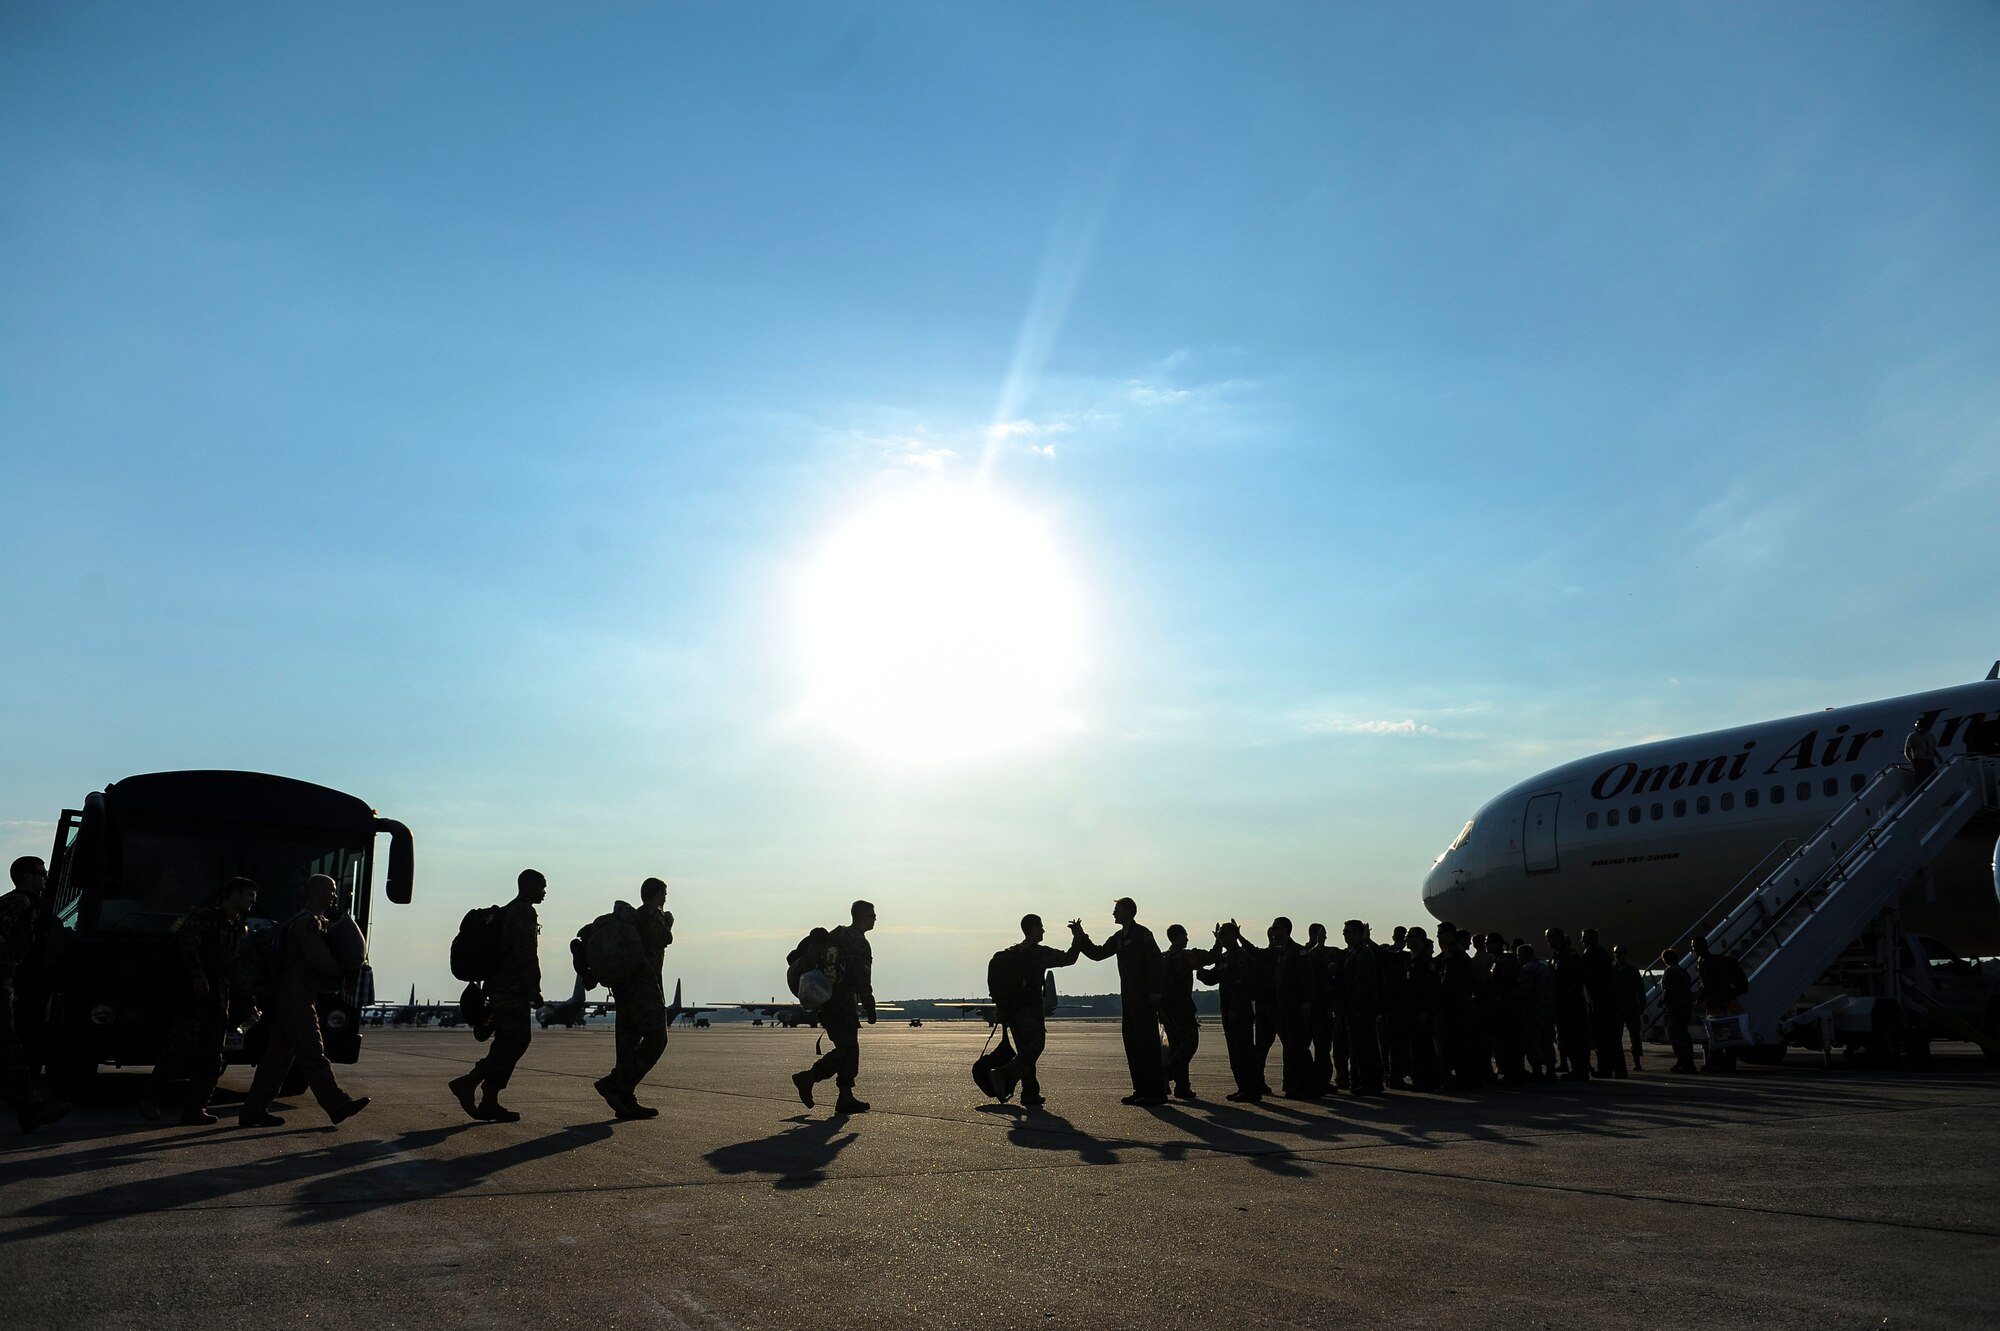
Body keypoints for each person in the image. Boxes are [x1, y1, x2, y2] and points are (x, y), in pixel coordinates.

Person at [238, 874, 369, 1127]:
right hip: (297, 996)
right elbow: (318, 958)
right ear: (317, 891)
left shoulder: (307, 921)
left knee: (276, 1059)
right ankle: (337, 1104)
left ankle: (253, 1110)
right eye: (330, 890)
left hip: (294, 995)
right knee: (313, 1052)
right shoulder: (307, 923)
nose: (334, 895)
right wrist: (343, 970)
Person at [143, 876, 259, 1125]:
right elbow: (187, 945)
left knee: (214, 1055)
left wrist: (247, 997)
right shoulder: (207, 917)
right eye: (249, 895)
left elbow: (237, 965)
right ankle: (150, 1098)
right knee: (178, 1049)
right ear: (234, 893)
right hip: (194, 997)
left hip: (220, 999)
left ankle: (196, 1108)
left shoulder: (240, 926)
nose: (253, 901)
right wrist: (197, 975)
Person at [448, 868, 545, 1122]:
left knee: (507, 1040)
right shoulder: (524, 911)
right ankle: (470, 1083)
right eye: (541, 886)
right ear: (528, 886)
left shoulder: (507, 910)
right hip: (511, 987)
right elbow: (526, 953)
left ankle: (489, 1100)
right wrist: (534, 988)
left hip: (498, 985)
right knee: (516, 1040)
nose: (544, 892)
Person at [1075, 898, 1169, 1106]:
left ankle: (1156, 1092)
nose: (1113, 913)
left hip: (1144, 998)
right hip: (1129, 999)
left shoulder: (1143, 935)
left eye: (1116, 910)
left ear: (1128, 911)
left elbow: (1156, 963)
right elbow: (1098, 954)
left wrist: (1155, 991)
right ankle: (1141, 1089)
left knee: (1147, 1046)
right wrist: (1080, 937)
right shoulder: (1119, 937)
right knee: (1132, 1045)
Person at [0, 857, 69, 1133]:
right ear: (27, 877)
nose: (45, 878)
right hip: (2, 983)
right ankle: (30, 1109)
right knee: (9, 1048)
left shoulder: (33, 906)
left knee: (9, 1048)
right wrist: (5, 978)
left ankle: (29, 1109)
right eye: (41, 874)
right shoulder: (18, 902)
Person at [596, 877, 674, 1119]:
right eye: (664, 893)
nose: (665, 898)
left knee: (628, 1046)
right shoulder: (653, 913)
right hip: (645, 988)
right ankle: (616, 1083)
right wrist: (668, 925)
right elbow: (659, 939)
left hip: (625, 989)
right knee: (657, 1039)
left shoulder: (631, 919)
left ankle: (625, 1099)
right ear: (657, 893)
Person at [792, 900, 876, 1114]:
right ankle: (809, 1077)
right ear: (860, 917)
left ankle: (845, 1097)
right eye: (871, 915)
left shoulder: (837, 935)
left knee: (850, 1049)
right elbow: (862, 976)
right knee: (847, 1050)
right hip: (841, 1002)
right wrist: (869, 1004)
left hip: (828, 1000)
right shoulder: (858, 942)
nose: (874, 919)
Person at [990, 914, 1081, 1107]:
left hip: (1013, 1012)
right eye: (1040, 927)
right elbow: (1069, 958)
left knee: (1025, 1051)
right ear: (1032, 929)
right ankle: (1004, 1074)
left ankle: (1030, 1093)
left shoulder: (1012, 952)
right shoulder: (1038, 953)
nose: (1043, 930)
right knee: (1035, 1048)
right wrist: (1078, 937)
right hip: (1030, 1012)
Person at [1199, 921, 1264, 1102]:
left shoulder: (1240, 957)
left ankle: (1251, 1089)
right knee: (1235, 1052)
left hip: (1240, 1012)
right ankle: (1243, 1087)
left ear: (1233, 936)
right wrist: (1200, 971)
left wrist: (1235, 1008)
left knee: (1244, 1051)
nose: (1220, 938)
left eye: (1223, 934)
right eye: (1219, 935)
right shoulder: (1225, 957)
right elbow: (1213, 979)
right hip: (1228, 1011)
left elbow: (1241, 985)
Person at [1157, 924, 1212, 1100]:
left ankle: (1182, 1087)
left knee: (1176, 1046)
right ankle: (1166, 1073)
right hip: (1183, 1010)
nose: (1187, 939)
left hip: (1166, 1011)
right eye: (1185, 935)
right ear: (1179, 936)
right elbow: (1212, 957)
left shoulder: (1163, 958)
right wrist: (1218, 942)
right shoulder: (1186, 956)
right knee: (1189, 1045)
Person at [1267, 918, 1315, 1098]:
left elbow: (1307, 979)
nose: (1273, 931)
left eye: (1276, 928)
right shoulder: (1281, 952)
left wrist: (1307, 1002)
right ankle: (1298, 1085)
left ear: (1286, 929)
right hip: (1285, 1008)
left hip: (1296, 1008)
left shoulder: (1297, 951)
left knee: (1299, 1048)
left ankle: (1309, 1087)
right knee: (1291, 1049)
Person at [1689, 933, 1748, 1073]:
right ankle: (1718, 1063)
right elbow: (1704, 983)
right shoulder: (1701, 961)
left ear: (1705, 945)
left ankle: (1727, 1064)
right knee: (1715, 1035)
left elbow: (1723, 983)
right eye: (1693, 947)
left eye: (1697, 946)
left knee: (1726, 1035)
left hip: (1722, 1002)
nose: (1695, 949)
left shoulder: (1714, 961)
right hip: (1713, 1002)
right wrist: (1700, 998)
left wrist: (1723, 1002)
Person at [1339, 920, 1384, 1096]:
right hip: (1354, 1007)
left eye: (1348, 931)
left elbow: (1363, 983)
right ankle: (1363, 1081)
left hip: (1362, 1008)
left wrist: (1358, 1007)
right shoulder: (1353, 952)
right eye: (1344, 931)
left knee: (1365, 1047)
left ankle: (1370, 1083)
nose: (1345, 934)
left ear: (1358, 933)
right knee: (1359, 1046)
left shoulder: (1362, 953)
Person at [1544, 927, 1593, 1082]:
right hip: (1561, 1003)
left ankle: (1581, 1070)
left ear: (1559, 938)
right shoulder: (1556, 955)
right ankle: (1576, 1069)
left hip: (1572, 1004)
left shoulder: (1570, 955)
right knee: (1566, 1037)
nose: (1547, 940)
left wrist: (1569, 991)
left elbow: (1581, 976)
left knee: (1576, 1036)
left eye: (1550, 937)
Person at [1579, 927, 1627, 1078]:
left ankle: (1613, 1069)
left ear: (1592, 938)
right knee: (1606, 1037)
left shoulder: (1592, 952)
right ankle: (1609, 1068)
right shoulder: (1600, 953)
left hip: (1601, 1001)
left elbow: (1583, 972)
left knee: (1605, 1036)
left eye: (1584, 937)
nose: (1582, 941)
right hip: (1603, 1000)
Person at [1301, 923, 1338, 1098]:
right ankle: (1313, 1081)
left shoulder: (1327, 953)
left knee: (1323, 1048)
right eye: (1323, 934)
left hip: (1323, 1007)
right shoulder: (1307, 953)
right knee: (1309, 1046)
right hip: (1313, 1007)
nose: (1325, 937)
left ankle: (1321, 1081)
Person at [1404, 929, 1442, 1092]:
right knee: (1416, 1045)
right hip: (1411, 1009)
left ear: (1420, 939)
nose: (1407, 939)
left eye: (1411, 937)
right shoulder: (1411, 960)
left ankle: (1429, 1081)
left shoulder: (1426, 961)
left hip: (1421, 1010)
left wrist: (1425, 1010)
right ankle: (1420, 1078)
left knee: (1424, 1046)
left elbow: (1430, 988)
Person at [1376, 925, 1412, 1090]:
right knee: (1396, 1044)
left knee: (1387, 1044)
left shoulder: (1391, 955)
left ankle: (1389, 1075)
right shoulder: (1403, 957)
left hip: (1388, 1006)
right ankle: (1394, 1076)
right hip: (1395, 1006)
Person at [1515, 943, 1557, 1082]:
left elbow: (1524, 991)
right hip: (1549, 1009)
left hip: (1533, 1010)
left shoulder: (1528, 969)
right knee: (1547, 1040)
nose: (1519, 958)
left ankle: (1537, 1070)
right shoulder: (1544, 966)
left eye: (1520, 955)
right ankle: (1551, 1071)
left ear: (1527, 954)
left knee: (1532, 1041)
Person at [1658, 946, 1699, 1073]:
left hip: (1675, 1008)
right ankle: (1688, 1062)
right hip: (1685, 1007)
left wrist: (1662, 1001)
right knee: (1684, 1034)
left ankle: (1683, 1062)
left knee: (1675, 1035)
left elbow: (1668, 991)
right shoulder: (1683, 971)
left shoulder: (1669, 971)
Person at [1612, 944, 1647, 1071]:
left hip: (1630, 1007)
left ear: (1625, 955)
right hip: (1616, 1008)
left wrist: (1642, 1004)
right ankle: (1616, 1061)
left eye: (1620, 953)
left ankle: (1636, 1060)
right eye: (1616, 953)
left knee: (1634, 1036)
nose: (1618, 956)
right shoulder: (1610, 970)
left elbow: (1640, 989)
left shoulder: (1632, 971)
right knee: (1615, 1036)